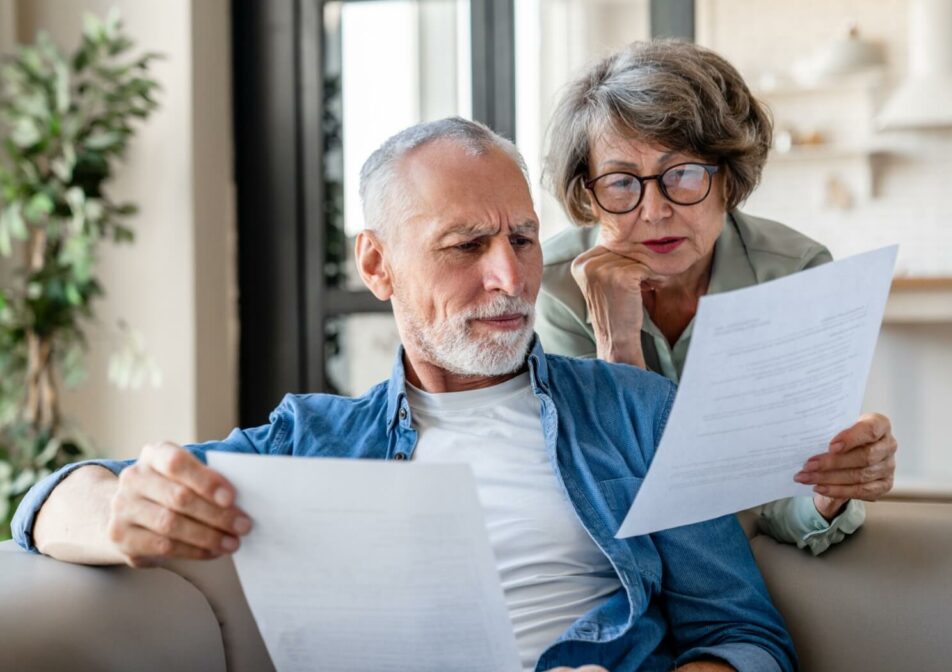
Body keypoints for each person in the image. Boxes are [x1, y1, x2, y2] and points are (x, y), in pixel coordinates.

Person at [14, 118, 796, 672]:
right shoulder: (313, 442)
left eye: (523, 238)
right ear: (377, 265)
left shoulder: (634, 410)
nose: (511, 278)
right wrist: (120, 516)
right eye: (467, 246)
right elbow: (45, 502)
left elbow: (743, 635)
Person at [536, 40, 897, 555]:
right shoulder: (554, 287)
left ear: (728, 177)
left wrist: (829, 491)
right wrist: (617, 347)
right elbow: (602, 498)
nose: (654, 211)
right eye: (620, 182)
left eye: (681, 174)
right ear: (588, 195)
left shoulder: (794, 275)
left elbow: (780, 497)